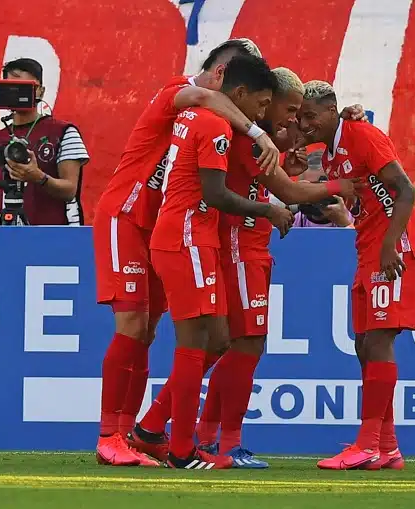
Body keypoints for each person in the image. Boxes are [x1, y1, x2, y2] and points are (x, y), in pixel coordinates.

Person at [92, 38, 280, 467]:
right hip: (126, 214)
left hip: (161, 225)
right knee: (133, 323)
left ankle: (135, 433)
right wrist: (255, 132)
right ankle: (110, 435)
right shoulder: (177, 92)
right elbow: (203, 95)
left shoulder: (208, 116)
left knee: (149, 330)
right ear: (221, 74)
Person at [193, 68, 360, 468]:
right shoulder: (248, 138)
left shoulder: (258, 137)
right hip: (238, 245)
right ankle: (221, 441)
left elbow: (281, 163)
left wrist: (297, 154)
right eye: (287, 109)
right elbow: (286, 191)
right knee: (242, 345)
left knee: (237, 346)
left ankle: (200, 436)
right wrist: (341, 185)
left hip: (249, 245)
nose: (291, 119)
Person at [148, 54, 293, 469]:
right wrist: (268, 210)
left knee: (217, 339)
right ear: (241, 93)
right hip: (188, 235)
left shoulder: (197, 115)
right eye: (262, 104)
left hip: (187, 235)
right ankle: (179, 450)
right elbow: (215, 195)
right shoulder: (214, 126)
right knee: (197, 344)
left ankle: (153, 429)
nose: (262, 114)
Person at [298, 80, 415, 471]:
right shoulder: (333, 149)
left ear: (331, 110)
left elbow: (406, 190)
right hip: (368, 251)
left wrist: (391, 245)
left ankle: (368, 443)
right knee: (363, 346)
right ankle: (386, 447)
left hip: (393, 251)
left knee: (378, 343)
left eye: (311, 115)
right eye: (300, 116)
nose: (305, 124)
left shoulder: (362, 135)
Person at [0, 58, 89, 226]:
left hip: (57, 239)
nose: (17, 93)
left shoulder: (64, 132)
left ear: (41, 91)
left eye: (25, 88)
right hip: (9, 239)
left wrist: (39, 177)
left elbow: (70, 190)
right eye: (11, 88)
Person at [291, 150, 354, 228]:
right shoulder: (290, 223)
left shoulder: (359, 217)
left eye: (320, 187)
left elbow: (363, 239)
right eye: (307, 188)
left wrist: (344, 224)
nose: (314, 196)